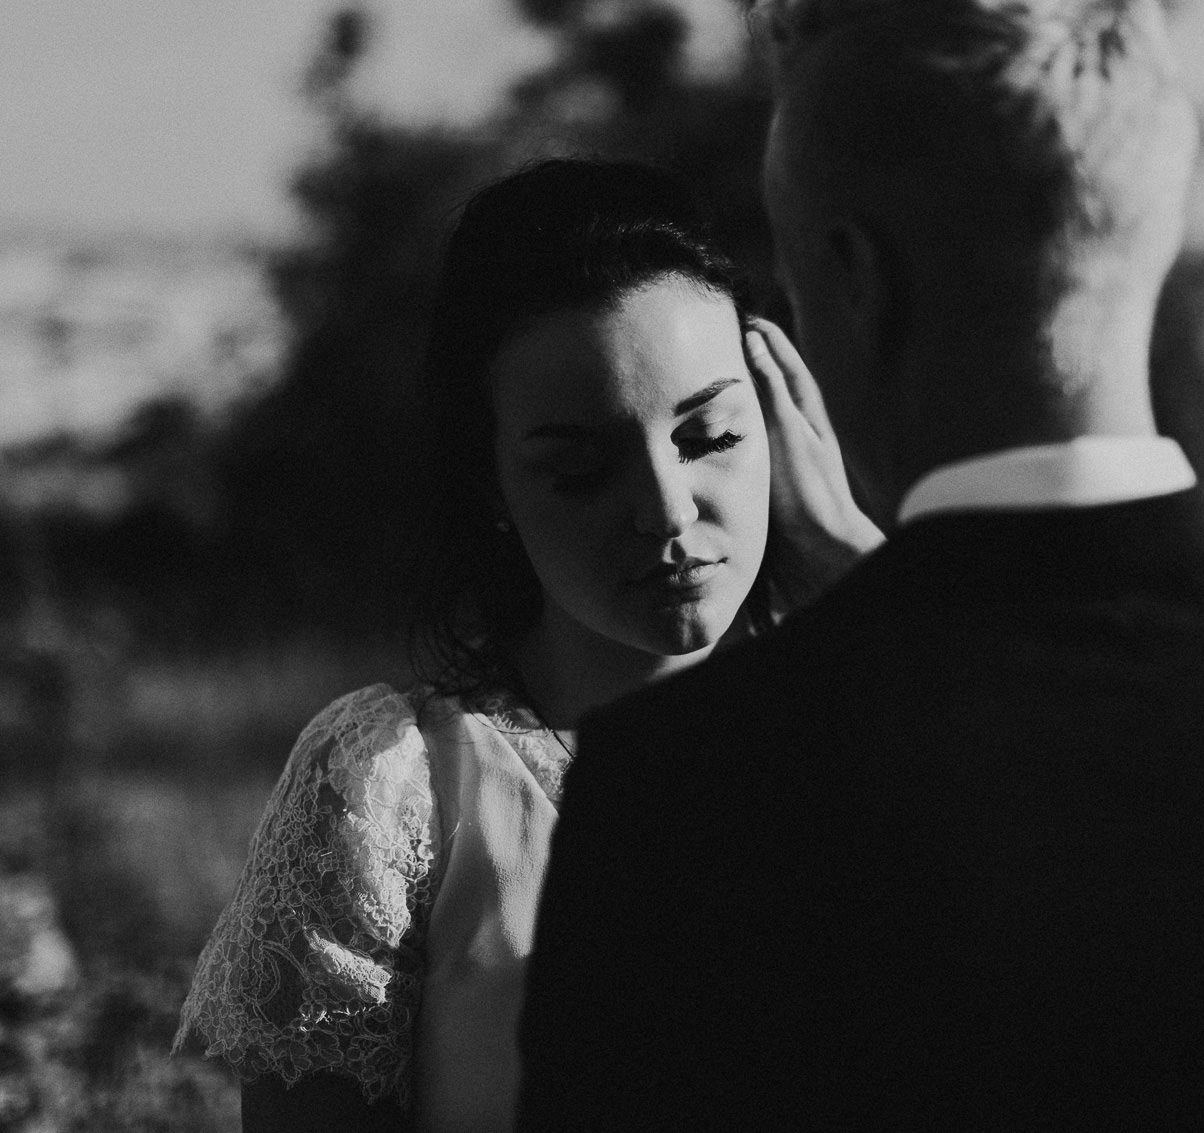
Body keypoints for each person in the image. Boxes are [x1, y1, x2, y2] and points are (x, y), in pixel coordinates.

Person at [515, 2, 1204, 1129]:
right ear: (1145, 232)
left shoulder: (684, 789)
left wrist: (877, 610)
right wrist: (889, 602)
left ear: (853, 279)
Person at [174, 157, 880, 1132]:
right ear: (491, 489)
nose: (666, 512)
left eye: (710, 435)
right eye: (581, 470)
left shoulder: (883, 732)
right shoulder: (395, 788)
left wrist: (872, 587)